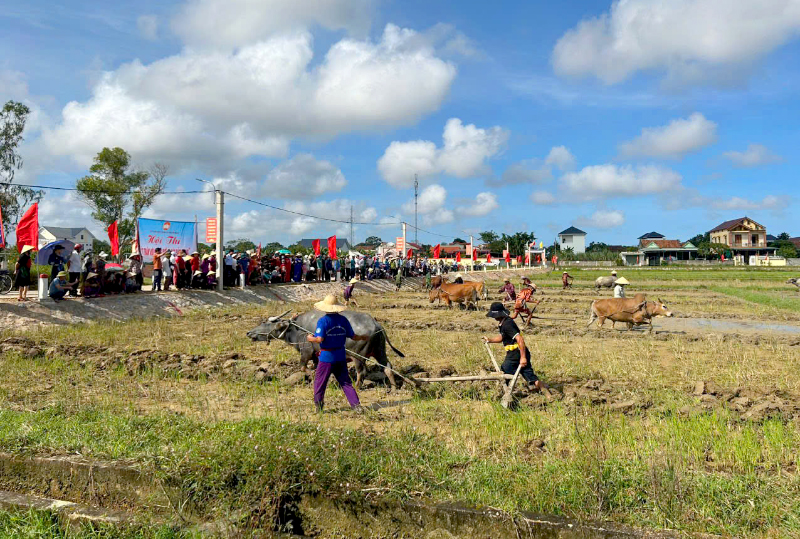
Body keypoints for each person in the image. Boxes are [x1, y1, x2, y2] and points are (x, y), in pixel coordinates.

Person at [307, 294, 370, 412]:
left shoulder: (323, 321)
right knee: (346, 382)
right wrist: (363, 337)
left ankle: (318, 406)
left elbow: (319, 339)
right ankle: (356, 406)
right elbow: (353, 336)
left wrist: (310, 338)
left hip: (326, 357)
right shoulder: (343, 320)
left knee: (320, 382)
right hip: (341, 356)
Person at [483, 302, 551, 398]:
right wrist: (490, 340)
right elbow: (502, 337)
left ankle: (503, 395)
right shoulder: (504, 323)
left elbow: (520, 339)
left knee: (504, 373)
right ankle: (547, 393)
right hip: (520, 353)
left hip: (515, 354)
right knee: (530, 376)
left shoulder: (507, 324)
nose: (494, 318)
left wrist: (522, 358)